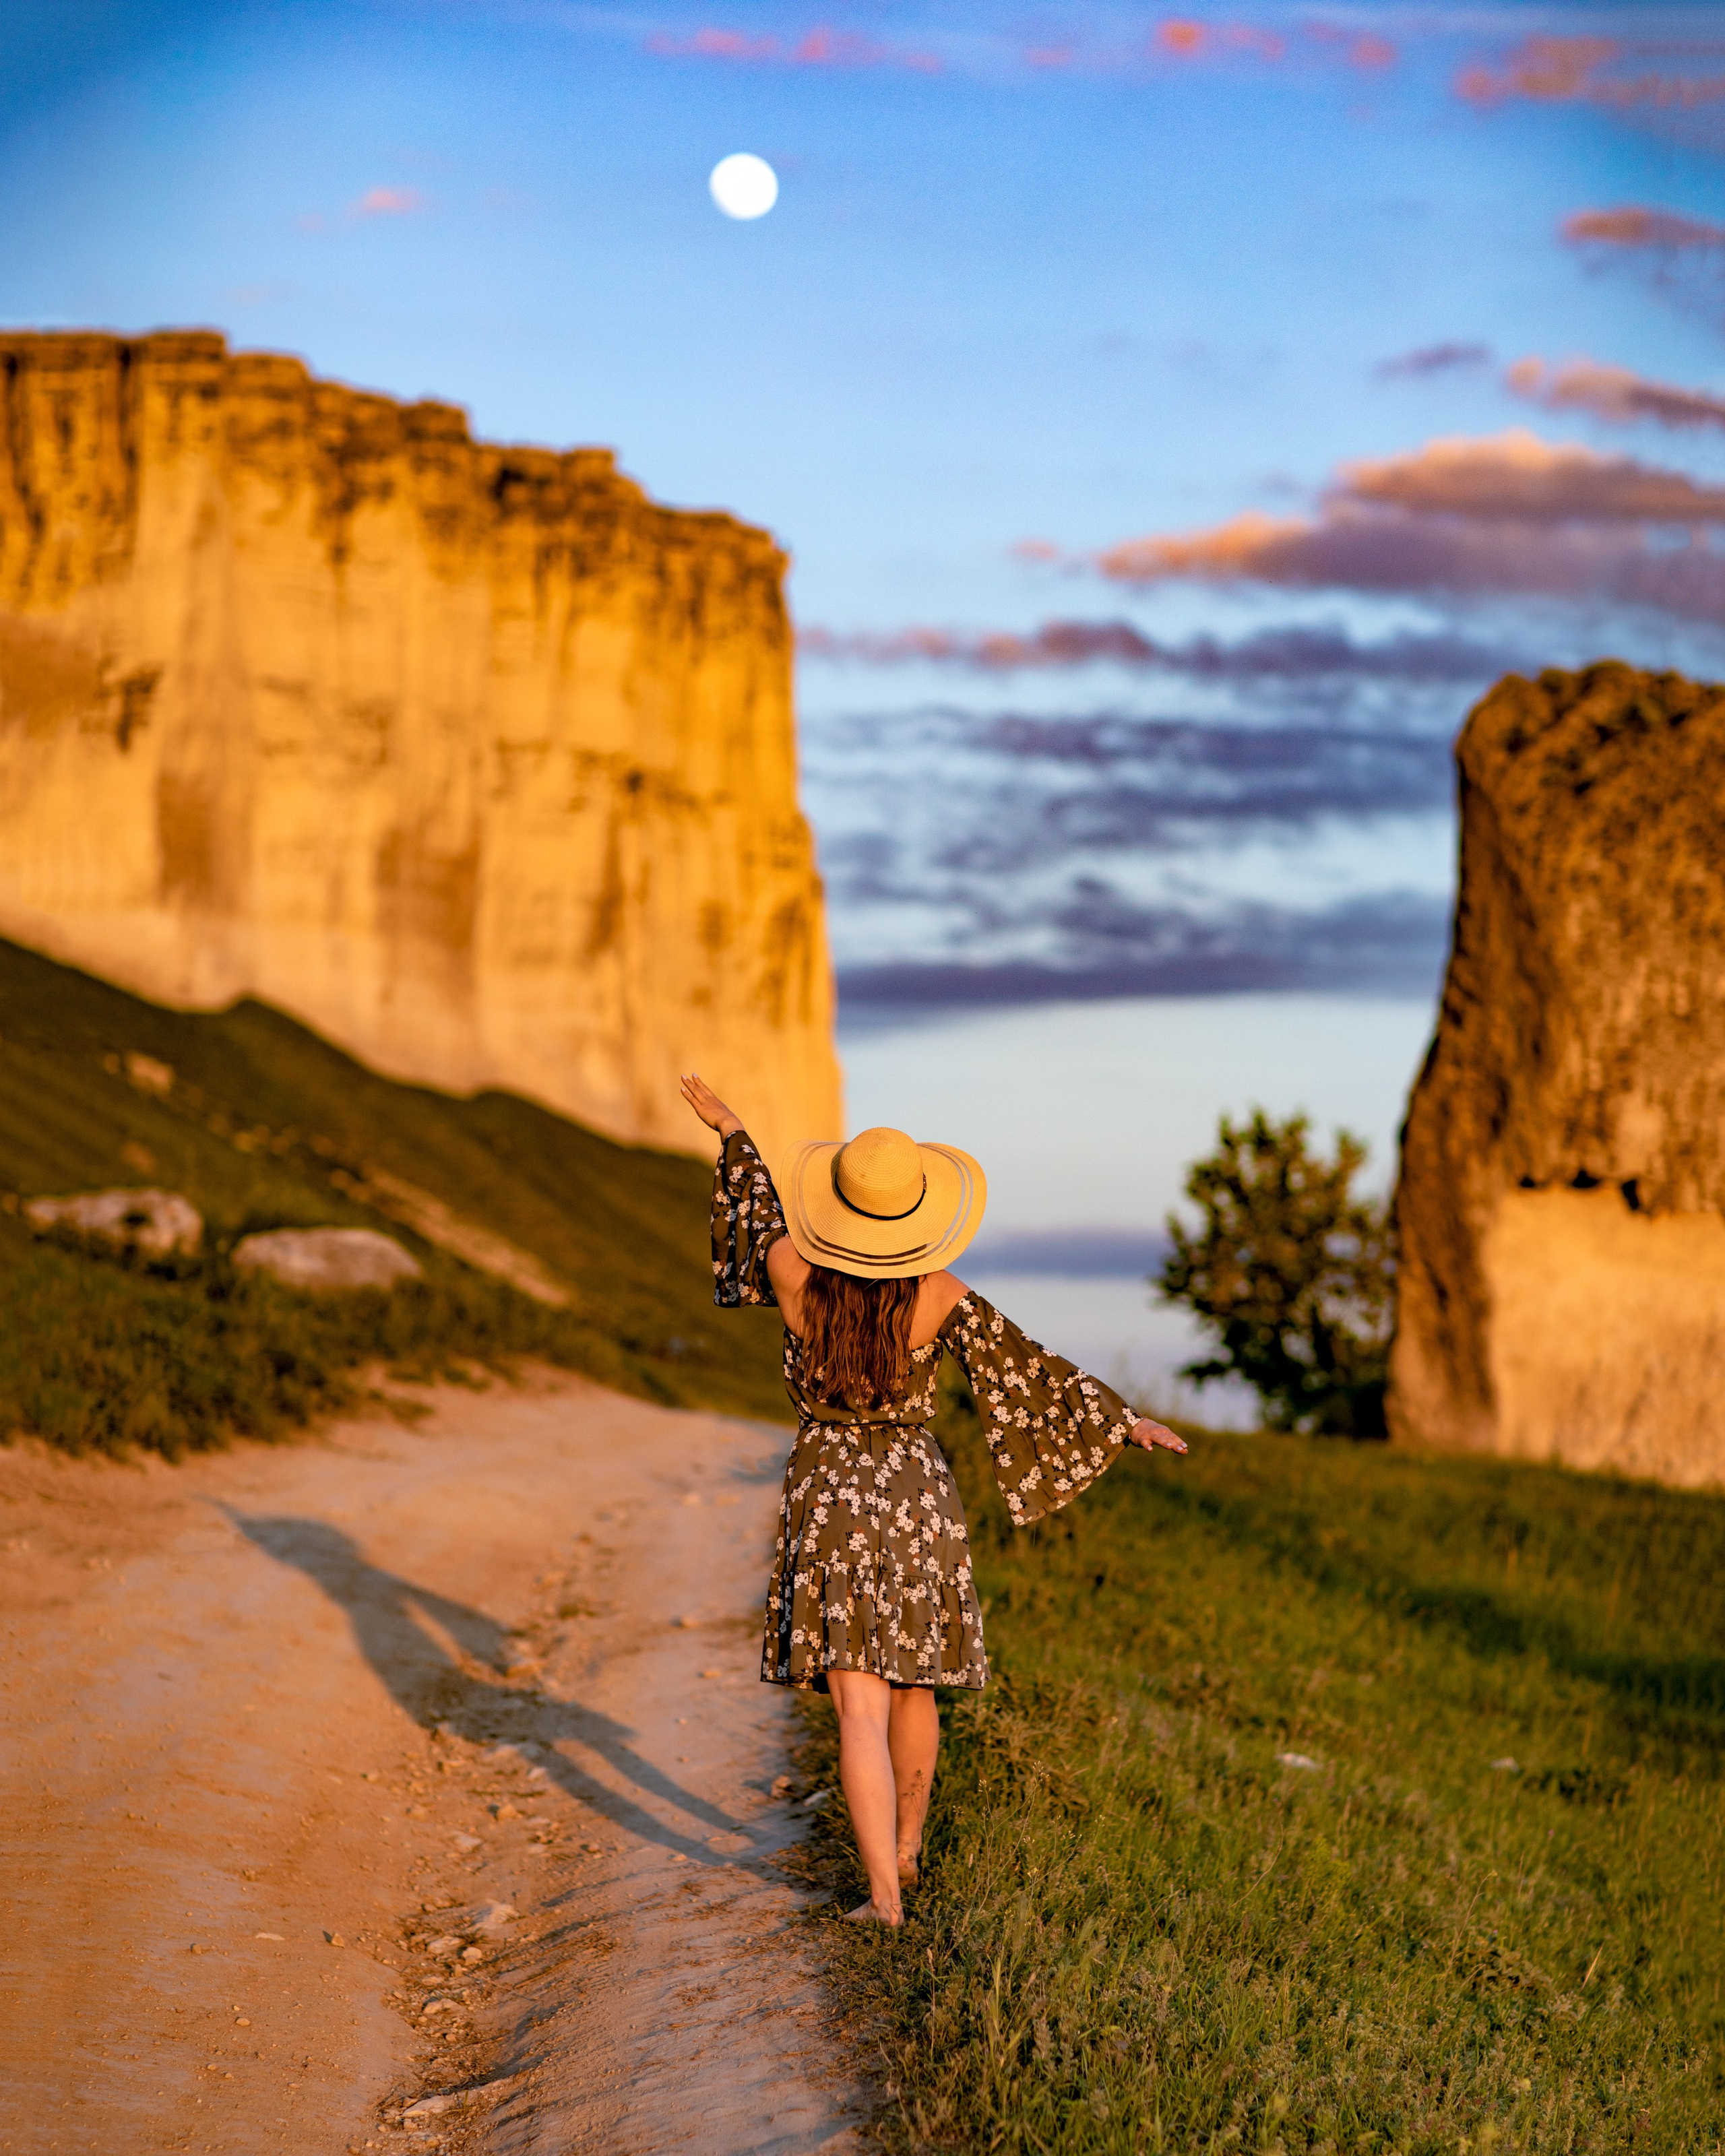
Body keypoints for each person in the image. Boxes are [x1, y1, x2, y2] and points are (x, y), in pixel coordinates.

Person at [679, 1073, 1189, 1927]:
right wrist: (1122, 1420)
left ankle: (882, 1894)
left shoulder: (791, 1272)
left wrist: (732, 1130)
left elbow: (758, 1213)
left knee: (858, 1706)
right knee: (916, 1684)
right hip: (918, 1491)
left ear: (838, 1209)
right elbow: (1027, 1370)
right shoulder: (941, 1293)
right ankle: (909, 1851)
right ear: (916, 1212)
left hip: (831, 1488)